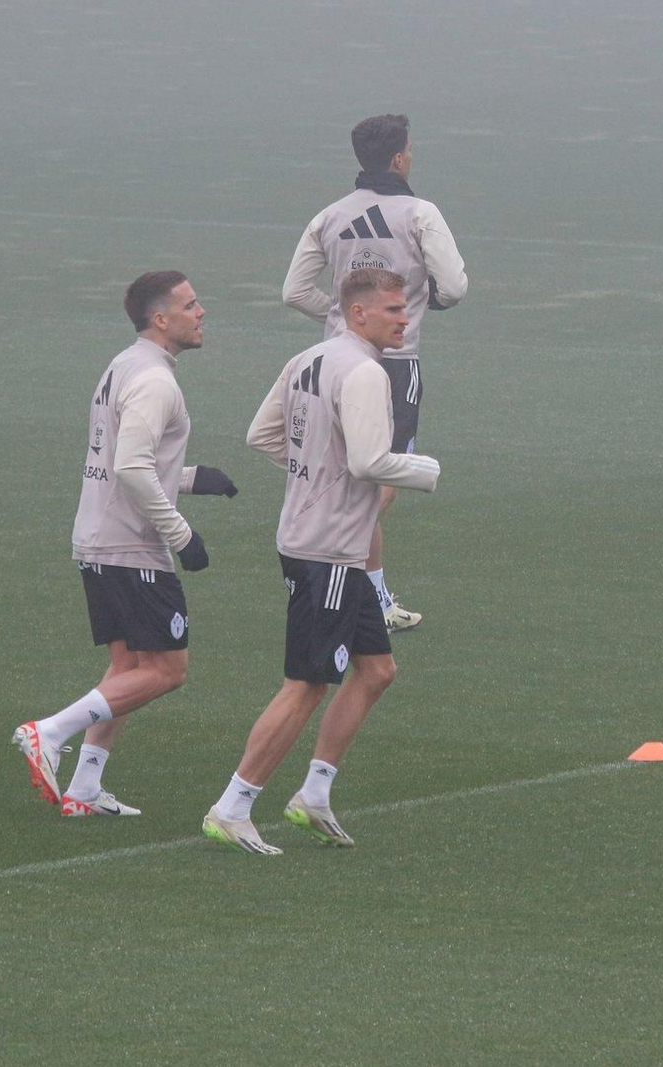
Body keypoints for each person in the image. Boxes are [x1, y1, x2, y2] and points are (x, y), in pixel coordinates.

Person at [203, 269, 441, 853]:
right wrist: (425, 471)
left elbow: (262, 435)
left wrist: (313, 468)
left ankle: (313, 795)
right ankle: (232, 806)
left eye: (404, 309)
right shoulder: (364, 371)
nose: (403, 318)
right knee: (308, 683)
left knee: (377, 670)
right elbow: (367, 462)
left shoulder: (309, 357)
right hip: (328, 550)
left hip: (325, 544)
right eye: (391, 309)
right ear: (356, 313)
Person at [11, 271, 237, 817]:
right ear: (162, 319)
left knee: (127, 668)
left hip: (97, 538)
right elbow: (132, 467)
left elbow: (126, 458)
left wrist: (190, 476)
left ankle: (85, 788)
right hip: (129, 546)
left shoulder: (123, 365)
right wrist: (182, 535)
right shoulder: (157, 382)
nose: (201, 311)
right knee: (166, 670)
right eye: (190, 303)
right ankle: (50, 731)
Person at [281, 113, 466, 633]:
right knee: (377, 481)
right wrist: (407, 310)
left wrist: (343, 317)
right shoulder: (419, 213)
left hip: (332, 359)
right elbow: (453, 288)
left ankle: (377, 598)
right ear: (399, 158)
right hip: (394, 367)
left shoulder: (330, 215)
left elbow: (294, 291)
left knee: (353, 472)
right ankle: (338, 575)